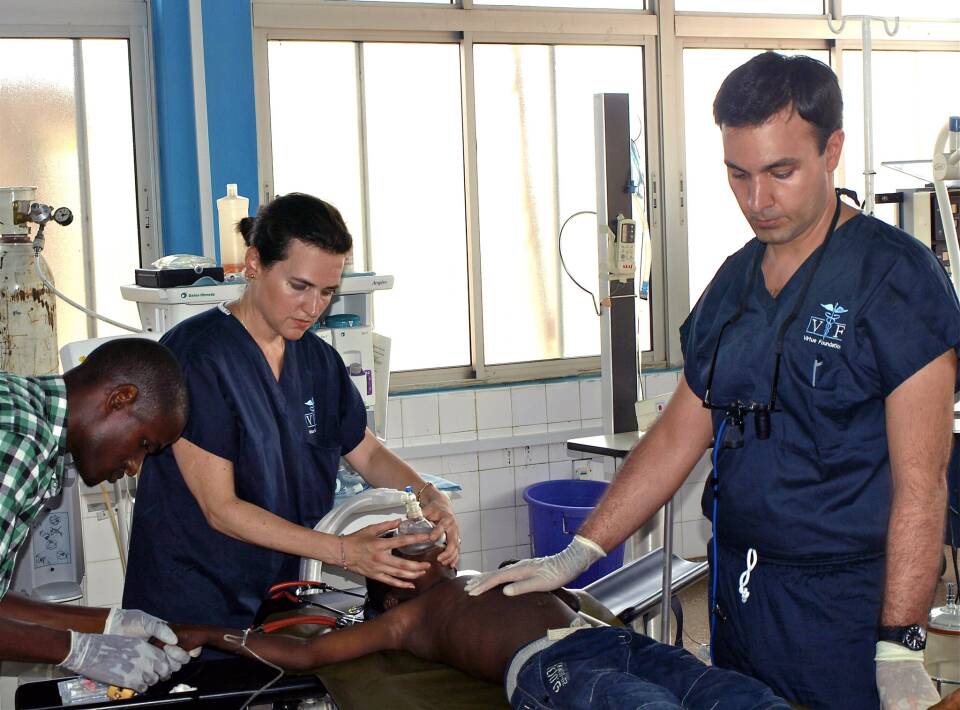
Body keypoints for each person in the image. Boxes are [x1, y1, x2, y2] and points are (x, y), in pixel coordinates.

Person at [467, 52, 960, 710]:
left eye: (781, 172)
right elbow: (677, 433)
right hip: (741, 597)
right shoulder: (734, 281)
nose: (757, 200)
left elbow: (922, 486)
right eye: (738, 174)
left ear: (832, 150)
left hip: (843, 607)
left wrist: (900, 642)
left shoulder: (895, 278)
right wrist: (580, 551)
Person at [123, 192, 461, 639]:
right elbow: (221, 510)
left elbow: (365, 451)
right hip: (192, 605)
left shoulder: (317, 361)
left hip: (277, 600)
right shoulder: (196, 358)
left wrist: (427, 494)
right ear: (254, 263)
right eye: (298, 286)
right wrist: (345, 552)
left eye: (327, 292)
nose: (313, 307)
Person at [172, 542, 794, 709]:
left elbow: (566, 590)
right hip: (549, 672)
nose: (409, 548)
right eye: (393, 556)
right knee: (642, 706)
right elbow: (310, 655)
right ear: (387, 595)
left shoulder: (473, 576)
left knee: (720, 690)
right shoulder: (407, 621)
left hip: (605, 638)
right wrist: (209, 634)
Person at [0, 338, 192, 692]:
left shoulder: (18, 401)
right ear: (120, 399)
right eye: (144, 445)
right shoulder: (22, 439)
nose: (134, 466)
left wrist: (108, 624)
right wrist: (78, 651)